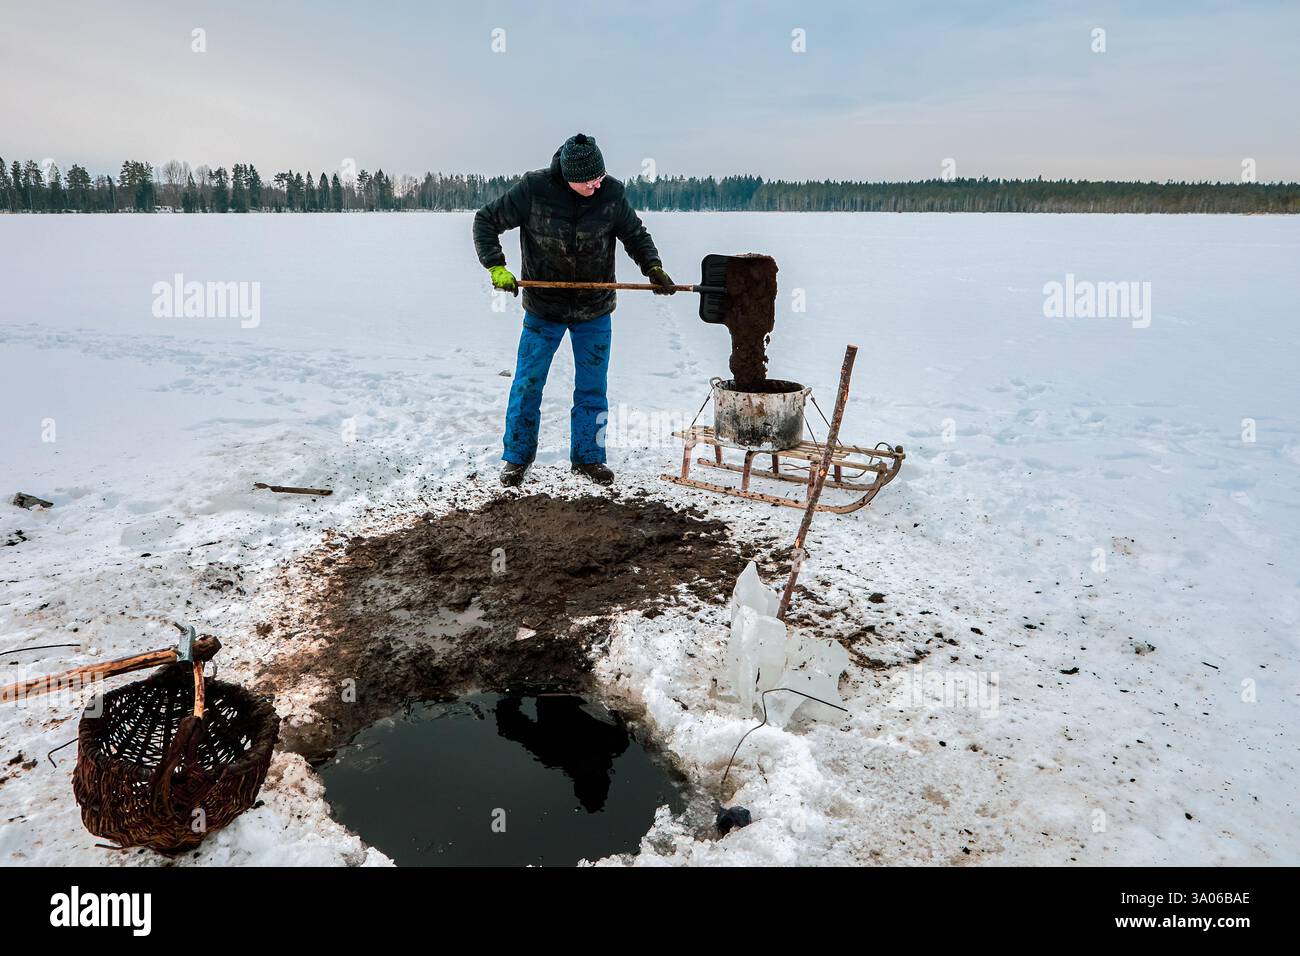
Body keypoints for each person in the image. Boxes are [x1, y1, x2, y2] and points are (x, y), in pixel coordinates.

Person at [472, 133, 674, 487]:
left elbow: (635, 234)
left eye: (599, 178)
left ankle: (588, 458)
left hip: (594, 310)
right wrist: (496, 266)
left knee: (593, 389)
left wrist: (652, 267)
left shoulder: (611, 194)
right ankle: (516, 459)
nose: (596, 186)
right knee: (527, 384)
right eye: (588, 181)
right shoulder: (534, 190)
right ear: (568, 177)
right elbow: (485, 220)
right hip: (543, 309)